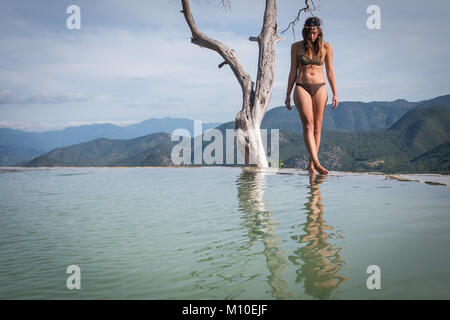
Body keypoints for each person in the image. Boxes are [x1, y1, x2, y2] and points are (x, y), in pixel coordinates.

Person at [285, 16, 338, 175]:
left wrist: (335, 93)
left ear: (319, 31)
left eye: (315, 33)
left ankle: (310, 164)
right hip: (301, 86)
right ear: (305, 31)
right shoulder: (296, 47)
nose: (312, 36)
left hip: (320, 87)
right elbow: (292, 71)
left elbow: (330, 71)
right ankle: (316, 162)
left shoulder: (327, 47)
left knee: (318, 126)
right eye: (309, 33)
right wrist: (288, 93)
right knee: (308, 124)